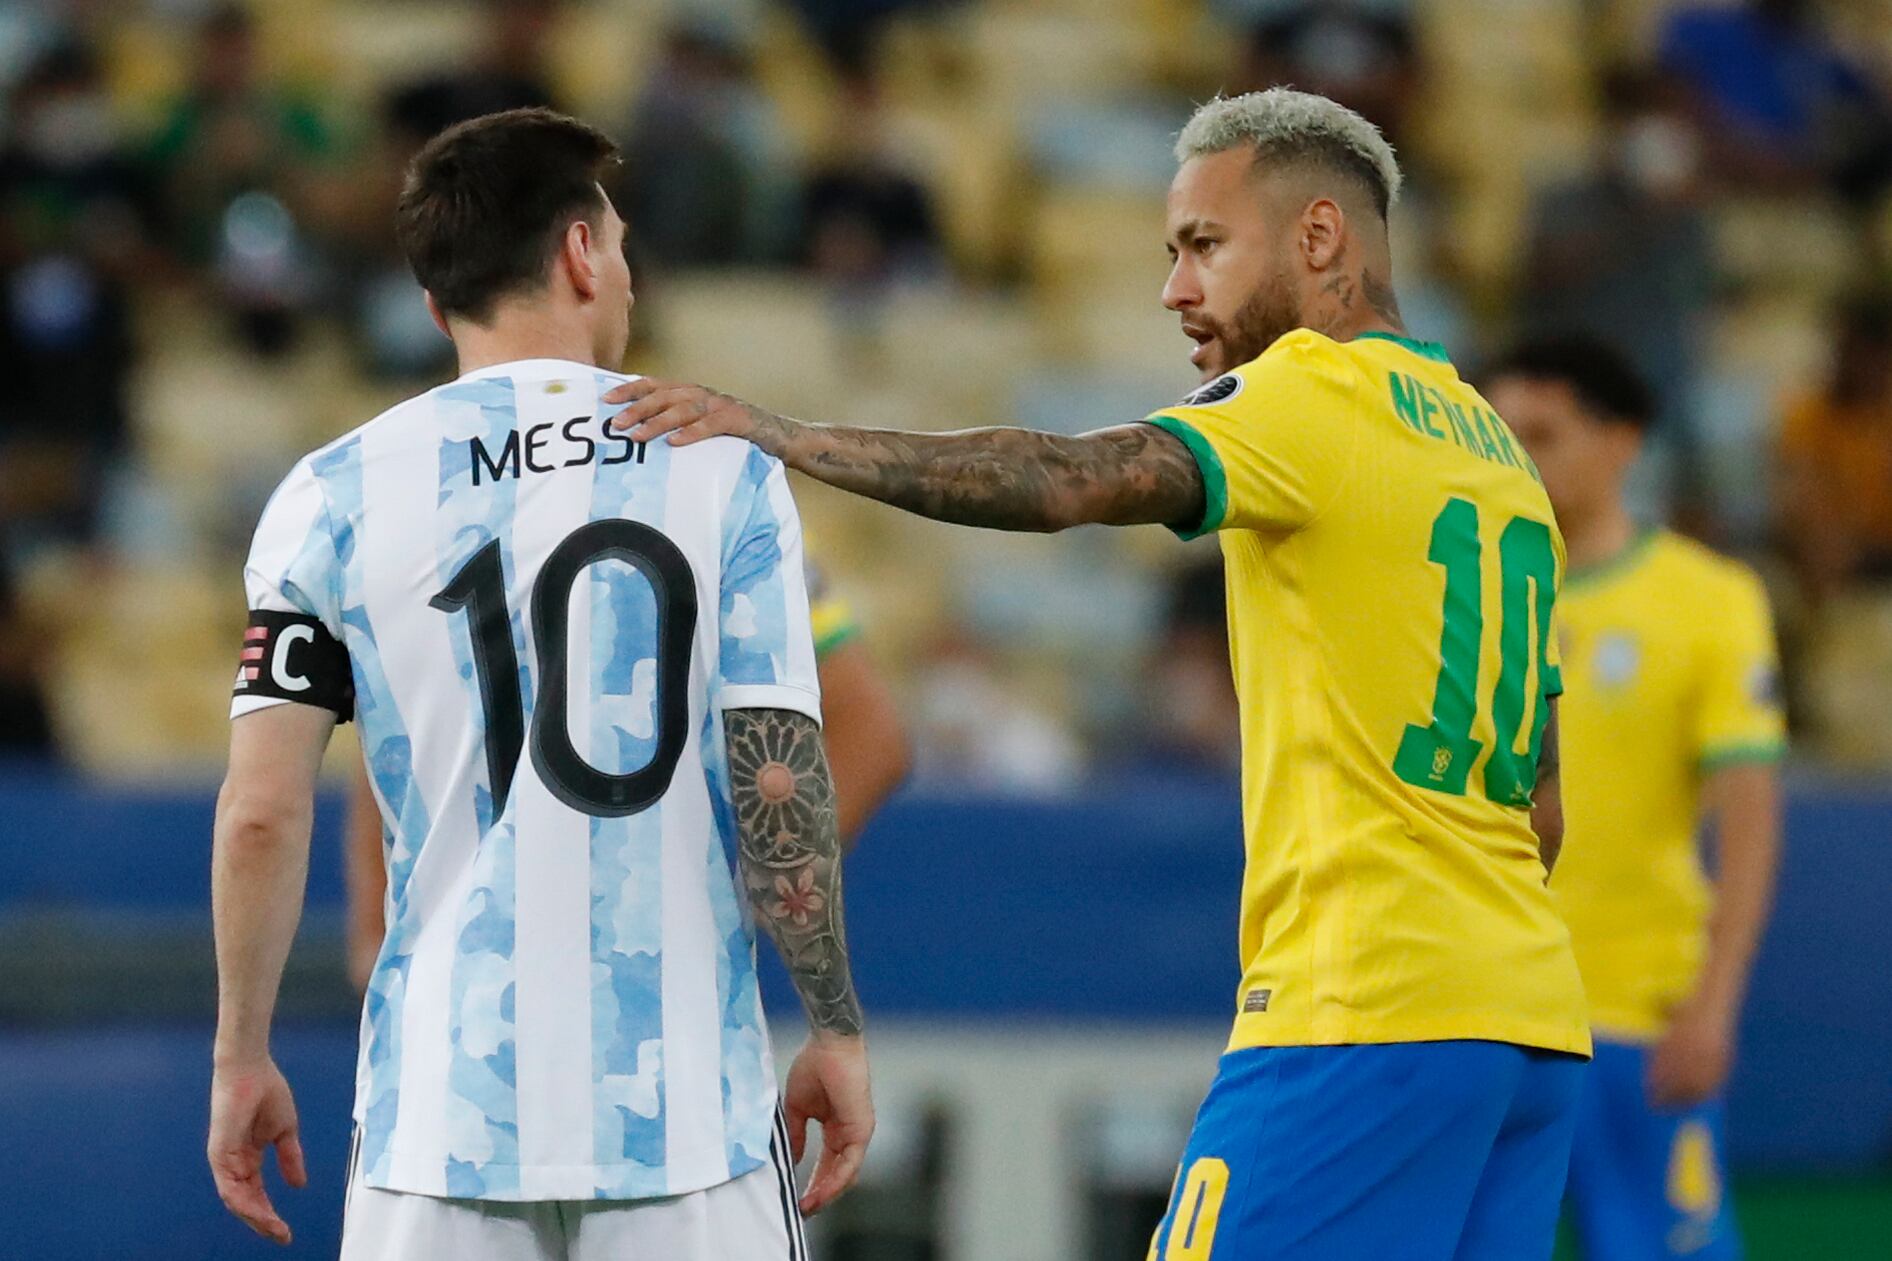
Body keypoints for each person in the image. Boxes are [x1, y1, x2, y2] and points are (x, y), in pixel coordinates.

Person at [607, 88, 1590, 1260]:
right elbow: (1541, 807)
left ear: (1318, 236)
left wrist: (788, 438)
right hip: (1527, 1028)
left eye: (1202, 246)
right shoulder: (1494, 454)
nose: (1176, 288)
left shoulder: (1313, 391)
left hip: (1363, 1009)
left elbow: (1070, 479)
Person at [206, 108, 872, 1260]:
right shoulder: (720, 465)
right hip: (685, 1125)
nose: (622, 273)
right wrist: (833, 1026)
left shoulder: (331, 493)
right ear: (578, 255)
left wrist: (242, 1054)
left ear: (435, 305)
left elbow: (262, 810)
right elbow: (778, 770)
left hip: (438, 1125)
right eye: (615, 244)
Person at [1488, 338, 1785, 1261]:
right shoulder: (1476, 598)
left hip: (1635, 1012)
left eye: (1543, 434)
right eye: (1501, 436)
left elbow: (1749, 825)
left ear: (1622, 441)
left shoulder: (1708, 599)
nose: (1519, 459)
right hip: (1487, 1007)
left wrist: (1714, 1005)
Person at [343, 556, 911, 991]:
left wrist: (381, 939)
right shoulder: (725, 506)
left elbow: (398, 737)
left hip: (473, 975)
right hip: (653, 981)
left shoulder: (432, 509)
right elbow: (871, 735)